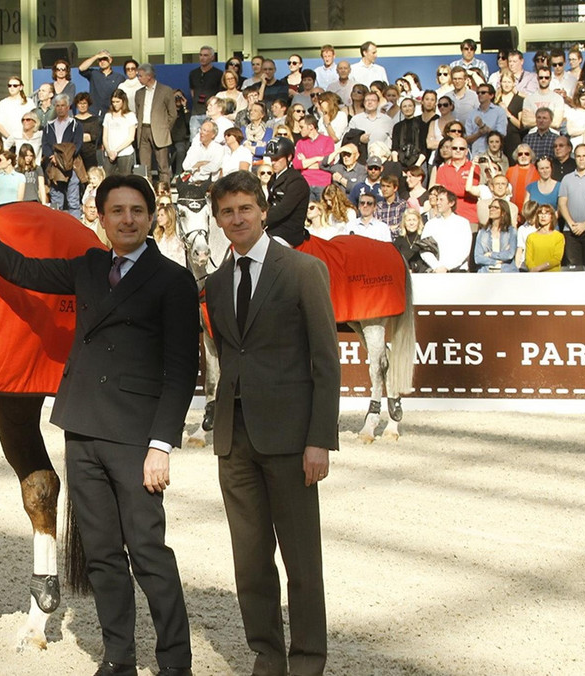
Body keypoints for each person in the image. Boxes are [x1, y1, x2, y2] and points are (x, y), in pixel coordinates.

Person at [0, 174, 199, 676]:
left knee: (149, 554)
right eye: (117, 211)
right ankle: (118, 658)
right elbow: (20, 269)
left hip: (135, 438)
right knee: (102, 555)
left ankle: (175, 662)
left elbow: (182, 371)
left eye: (136, 211)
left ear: (151, 218)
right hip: (82, 429)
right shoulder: (89, 267)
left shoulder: (173, 280)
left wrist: (161, 444)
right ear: (100, 220)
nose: (127, 220)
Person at [203, 169, 339, 676]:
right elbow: (227, 356)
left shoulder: (302, 270)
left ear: (262, 211)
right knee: (250, 561)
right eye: (226, 211)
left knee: (302, 561)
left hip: (291, 440)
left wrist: (320, 440)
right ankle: (267, 654)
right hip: (233, 442)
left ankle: (307, 659)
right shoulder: (216, 285)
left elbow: (326, 361)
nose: (236, 218)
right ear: (217, 220)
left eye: (244, 208)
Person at [262, 136, 310, 246]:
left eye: (277, 159)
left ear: (289, 157)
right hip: (273, 227)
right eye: (272, 159)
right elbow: (269, 203)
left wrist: (261, 219)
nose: (273, 163)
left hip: (288, 232)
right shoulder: (273, 178)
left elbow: (283, 209)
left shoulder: (296, 181)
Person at [135, 64, 177, 186]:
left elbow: (173, 114)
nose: (138, 78)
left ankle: (164, 195)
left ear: (149, 76)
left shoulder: (165, 90)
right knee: (144, 168)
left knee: (163, 167)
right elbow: (138, 113)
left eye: (140, 76)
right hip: (143, 131)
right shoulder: (139, 93)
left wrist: (165, 129)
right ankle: (147, 194)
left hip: (160, 132)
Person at [43, 94, 85, 218]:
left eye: (63, 106)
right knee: (56, 202)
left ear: (68, 107)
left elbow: (77, 144)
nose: (60, 108)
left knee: (73, 201)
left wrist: (63, 158)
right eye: (58, 106)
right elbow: (45, 145)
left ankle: (75, 230)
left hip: (71, 166)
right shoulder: (48, 126)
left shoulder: (76, 125)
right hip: (54, 167)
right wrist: (52, 157)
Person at [420, 186, 472, 272]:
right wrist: (436, 266)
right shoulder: (430, 224)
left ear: (451, 203)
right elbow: (425, 248)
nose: (438, 203)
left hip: (458, 272)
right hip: (436, 271)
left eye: (441, 200)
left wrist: (447, 267)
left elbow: (465, 250)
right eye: (437, 200)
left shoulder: (462, 223)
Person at [294, 115, 335, 201]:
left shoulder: (327, 140)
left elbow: (327, 162)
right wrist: (316, 158)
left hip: (323, 184)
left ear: (311, 126)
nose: (299, 130)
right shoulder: (300, 143)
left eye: (302, 127)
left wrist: (305, 162)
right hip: (306, 183)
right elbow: (297, 164)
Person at [473, 198, 519, 272]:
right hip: (486, 273)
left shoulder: (511, 231)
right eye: (490, 207)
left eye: (496, 207)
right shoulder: (482, 232)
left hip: (506, 273)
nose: (492, 209)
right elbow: (477, 258)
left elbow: (510, 254)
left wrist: (490, 254)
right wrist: (496, 262)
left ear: (503, 212)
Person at [78, 51, 127, 119]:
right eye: (100, 60)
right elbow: (81, 68)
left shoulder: (119, 77)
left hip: (111, 114)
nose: (102, 61)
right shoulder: (94, 73)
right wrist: (96, 56)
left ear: (110, 60)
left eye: (105, 59)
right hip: (94, 113)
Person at [189, 45, 224, 136]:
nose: (202, 58)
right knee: (195, 142)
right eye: (201, 55)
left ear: (212, 57)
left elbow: (220, 94)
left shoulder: (218, 74)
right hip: (195, 113)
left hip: (211, 114)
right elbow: (192, 91)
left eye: (205, 55)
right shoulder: (193, 73)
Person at [102, 89, 138, 177]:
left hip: (125, 153)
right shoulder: (108, 116)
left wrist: (116, 151)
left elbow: (131, 137)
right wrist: (109, 151)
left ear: (123, 101)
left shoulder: (130, 116)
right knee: (107, 179)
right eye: (113, 102)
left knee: (125, 179)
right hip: (109, 154)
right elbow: (104, 137)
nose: (115, 104)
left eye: (118, 102)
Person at [524, 203, 565, 271]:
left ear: (552, 217)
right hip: (535, 275)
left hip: (552, 275)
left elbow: (557, 259)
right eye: (540, 213)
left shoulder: (558, 237)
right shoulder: (531, 237)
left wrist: (540, 268)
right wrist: (534, 269)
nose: (543, 216)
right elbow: (528, 259)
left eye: (546, 213)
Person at [0, 76, 34, 141]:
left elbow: (34, 121)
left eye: (15, 85)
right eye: (9, 85)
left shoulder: (29, 102)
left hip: (25, 141)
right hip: (8, 142)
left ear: (21, 87)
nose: (12, 88)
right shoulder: (3, 103)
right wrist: (10, 138)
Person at [74, 92, 103, 171]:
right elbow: (71, 137)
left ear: (88, 104)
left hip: (90, 155)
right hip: (76, 154)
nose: (82, 106)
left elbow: (93, 136)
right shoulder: (72, 120)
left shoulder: (94, 120)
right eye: (80, 103)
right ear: (76, 105)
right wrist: (84, 136)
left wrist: (78, 137)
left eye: (84, 103)